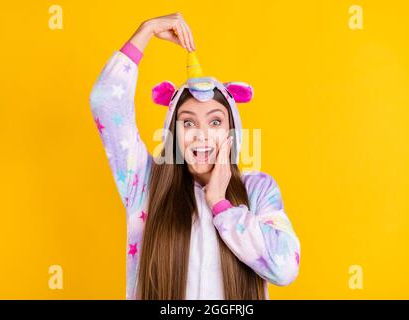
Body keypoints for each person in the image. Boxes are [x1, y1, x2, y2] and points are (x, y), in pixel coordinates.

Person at [89, 12, 300, 300]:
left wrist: (220, 204)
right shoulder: (145, 185)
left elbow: (285, 267)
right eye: (188, 122)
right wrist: (146, 31)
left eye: (215, 122)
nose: (201, 134)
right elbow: (105, 101)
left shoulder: (258, 189)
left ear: (231, 131)